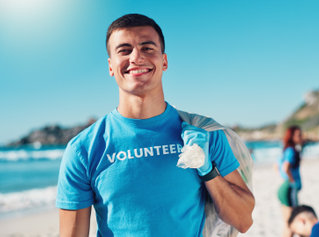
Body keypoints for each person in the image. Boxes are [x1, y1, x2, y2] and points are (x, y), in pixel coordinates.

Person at [56, 14, 254, 236]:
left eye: (147, 48)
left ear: (164, 61)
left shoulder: (205, 133)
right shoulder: (82, 150)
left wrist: (207, 170)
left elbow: (243, 220)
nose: (136, 57)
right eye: (124, 50)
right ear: (111, 66)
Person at [277, 125, 303, 237]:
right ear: (291, 136)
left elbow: (276, 166)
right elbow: (285, 167)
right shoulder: (292, 150)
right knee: (291, 223)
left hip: (285, 187)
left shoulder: (286, 149)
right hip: (289, 189)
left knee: (288, 222)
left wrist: (285, 179)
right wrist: (291, 181)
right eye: (299, 135)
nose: (301, 137)